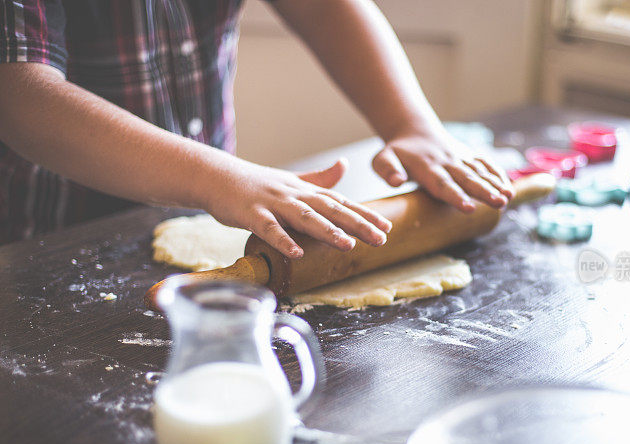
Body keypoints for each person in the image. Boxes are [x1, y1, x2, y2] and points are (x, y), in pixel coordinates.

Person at [0, 0, 513, 254]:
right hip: (47, 244)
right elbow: (20, 96)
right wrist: (211, 177)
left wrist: (410, 123)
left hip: (207, 221)